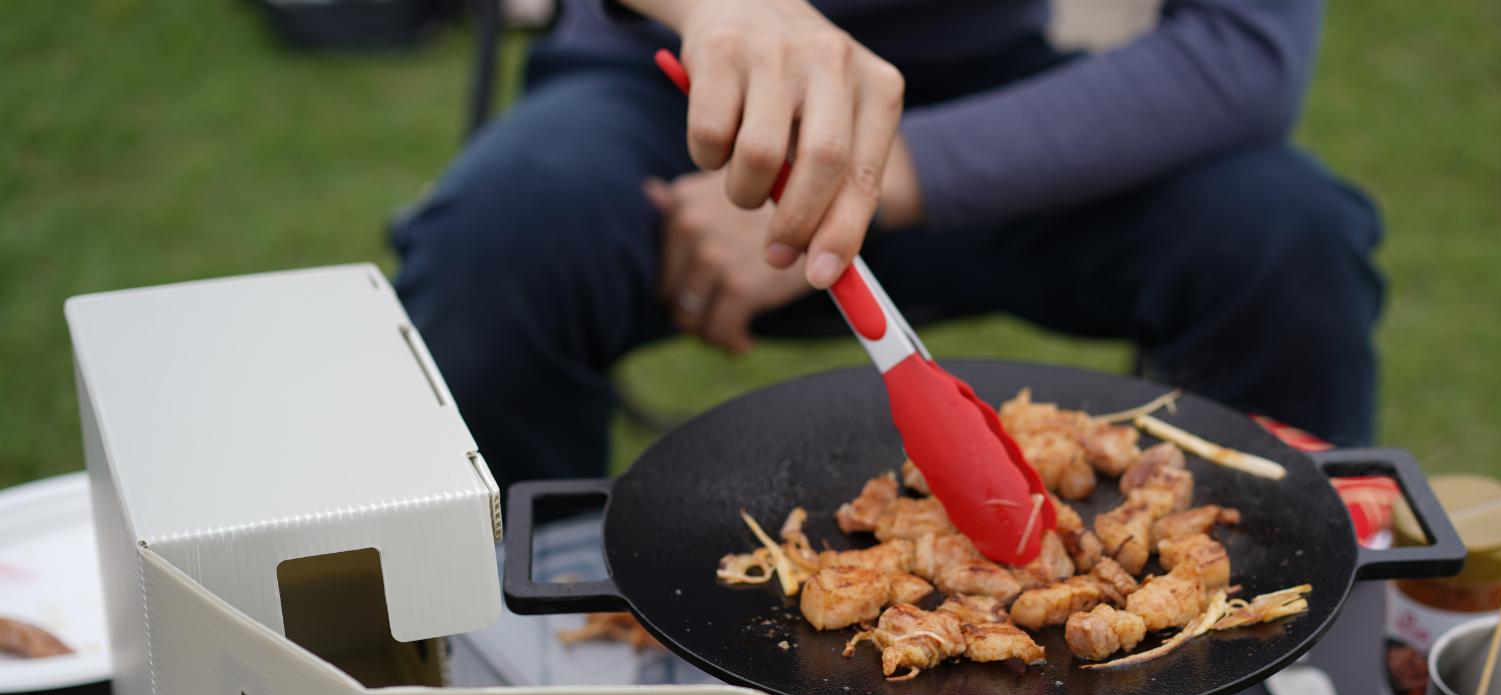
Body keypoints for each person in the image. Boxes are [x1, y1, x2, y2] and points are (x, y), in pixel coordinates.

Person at [394, 0, 1383, 492]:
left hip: (995, 113)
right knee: (501, 240)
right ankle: (518, 685)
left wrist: (856, 179)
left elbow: (1246, 50)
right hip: (678, 98)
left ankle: (1263, 689)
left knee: (1283, 238)